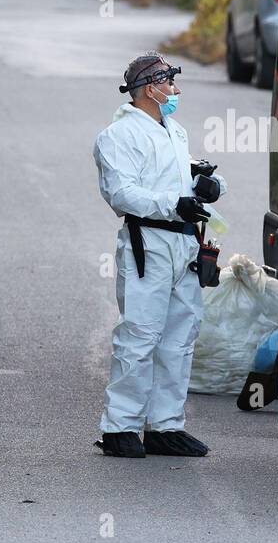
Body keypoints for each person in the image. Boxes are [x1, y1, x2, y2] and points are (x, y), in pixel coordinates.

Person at [93, 52, 227, 458]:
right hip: (147, 243)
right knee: (139, 335)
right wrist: (175, 204)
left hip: (183, 243)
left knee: (179, 337)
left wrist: (205, 183)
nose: (176, 91)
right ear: (151, 88)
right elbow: (121, 193)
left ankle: (166, 425)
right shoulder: (116, 136)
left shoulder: (174, 130)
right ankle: (120, 427)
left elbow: (176, 173)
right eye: (170, 84)